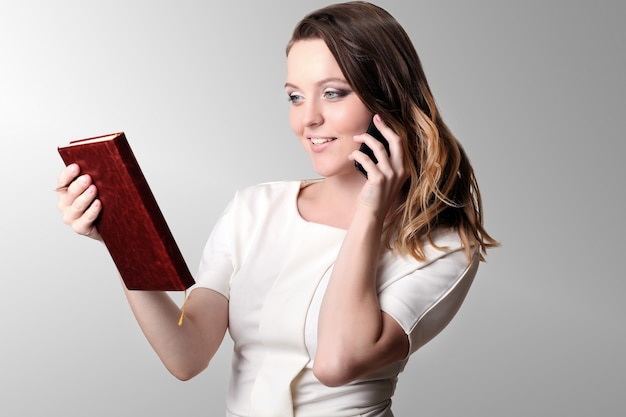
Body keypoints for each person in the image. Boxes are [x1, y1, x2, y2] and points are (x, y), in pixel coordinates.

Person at [56, 2, 499, 416]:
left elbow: (335, 362)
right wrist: (120, 234)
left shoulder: (442, 245)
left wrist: (369, 212)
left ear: (387, 100)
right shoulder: (254, 208)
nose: (307, 119)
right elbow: (185, 355)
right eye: (295, 96)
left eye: (333, 93)